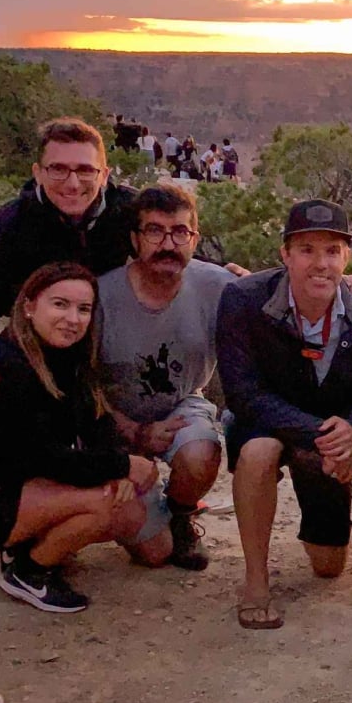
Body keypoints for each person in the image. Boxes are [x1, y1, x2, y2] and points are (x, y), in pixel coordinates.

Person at [0, 262, 159, 614]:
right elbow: (39, 457)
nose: (73, 318)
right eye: (60, 304)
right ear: (28, 306)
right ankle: (28, 572)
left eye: (83, 309)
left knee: (126, 509)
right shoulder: (3, 367)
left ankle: (22, 544)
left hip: (18, 483)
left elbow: (97, 422)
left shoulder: (69, 359)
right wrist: (122, 465)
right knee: (101, 503)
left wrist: (116, 463)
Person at [217, 198, 352, 629]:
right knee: (257, 453)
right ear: (285, 255)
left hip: (324, 437)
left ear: (346, 257)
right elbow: (242, 393)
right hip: (268, 423)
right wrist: (322, 433)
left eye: (332, 251)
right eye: (307, 250)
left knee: (329, 566)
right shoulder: (244, 300)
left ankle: (316, 523)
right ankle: (256, 580)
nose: (320, 263)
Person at [0, 118, 135, 401]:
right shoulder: (10, 227)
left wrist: (221, 271)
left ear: (104, 175)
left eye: (85, 170)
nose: (72, 183)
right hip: (35, 355)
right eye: (58, 169)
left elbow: (176, 251)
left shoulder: (129, 214)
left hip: (110, 358)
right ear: (38, 173)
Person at [96, 184, 231, 571]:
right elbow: (81, 384)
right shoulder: (102, 295)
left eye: (179, 232)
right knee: (154, 555)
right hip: (110, 414)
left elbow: (283, 297)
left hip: (181, 404)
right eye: (154, 231)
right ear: (136, 239)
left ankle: (179, 513)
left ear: (195, 238)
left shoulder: (218, 286)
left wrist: (349, 284)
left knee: (201, 453)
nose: (167, 243)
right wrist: (132, 431)